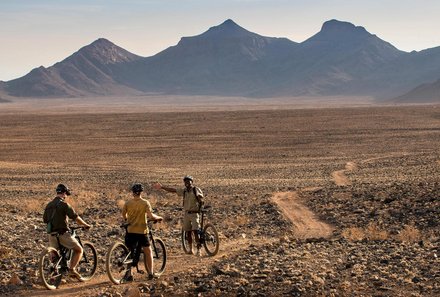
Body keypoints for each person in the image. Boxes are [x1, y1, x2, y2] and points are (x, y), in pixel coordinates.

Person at [43, 184, 91, 279]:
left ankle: (52, 273)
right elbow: (75, 217)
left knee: (55, 254)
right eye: (66, 194)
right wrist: (85, 225)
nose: (66, 196)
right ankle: (72, 269)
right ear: (64, 193)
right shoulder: (64, 205)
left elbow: (45, 219)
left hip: (52, 235)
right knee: (79, 249)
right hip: (62, 234)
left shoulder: (49, 205)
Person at [153, 175, 204, 256]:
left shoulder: (196, 189)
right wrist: (162, 187)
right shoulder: (184, 191)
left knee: (195, 231)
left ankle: (199, 249)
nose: (187, 183)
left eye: (189, 181)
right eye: (185, 181)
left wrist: (200, 200)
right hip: (187, 214)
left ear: (192, 182)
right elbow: (173, 190)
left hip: (194, 213)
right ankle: (191, 249)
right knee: (188, 232)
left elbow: (200, 197)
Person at [122, 183, 163, 282]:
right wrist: (158, 217)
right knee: (148, 251)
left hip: (130, 231)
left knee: (130, 251)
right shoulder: (145, 203)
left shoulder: (127, 203)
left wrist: (130, 220)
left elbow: (124, 216)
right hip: (141, 231)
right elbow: (151, 216)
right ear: (141, 192)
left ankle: (129, 274)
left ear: (132, 192)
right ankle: (151, 273)